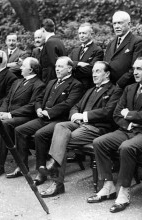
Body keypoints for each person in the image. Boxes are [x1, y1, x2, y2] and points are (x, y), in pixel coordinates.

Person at [87, 57, 142, 213]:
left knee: (126, 147)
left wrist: (129, 114)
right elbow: (117, 114)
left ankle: (124, 192)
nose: (135, 72)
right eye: (134, 68)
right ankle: (108, 185)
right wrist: (129, 122)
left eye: (139, 69)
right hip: (128, 129)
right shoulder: (129, 88)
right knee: (99, 142)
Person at [38, 61, 121, 197]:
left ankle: (56, 180)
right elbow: (75, 106)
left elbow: (108, 112)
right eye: (93, 71)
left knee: (61, 141)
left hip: (97, 128)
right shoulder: (90, 90)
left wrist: (84, 115)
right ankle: (54, 166)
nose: (94, 74)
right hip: (80, 124)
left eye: (98, 71)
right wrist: (75, 116)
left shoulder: (114, 90)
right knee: (60, 126)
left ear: (107, 74)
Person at [7, 56, 83, 178]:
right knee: (19, 130)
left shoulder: (76, 84)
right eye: (56, 66)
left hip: (59, 120)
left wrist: (49, 112)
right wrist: (38, 108)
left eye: (60, 67)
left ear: (69, 69)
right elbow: (39, 98)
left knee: (40, 134)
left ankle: (41, 172)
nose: (57, 69)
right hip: (43, 117)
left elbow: (69, 103)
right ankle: (22, 166)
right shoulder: (52, 82)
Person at [0, 57, 45, 174]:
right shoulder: (18, 81)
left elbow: (31, 106)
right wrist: (2, 112)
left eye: (23, 66)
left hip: (24, 117)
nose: (20, 68)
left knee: (4, 125)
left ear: (30, 70)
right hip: (7, 114)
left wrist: (9, 114)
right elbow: (7, 99)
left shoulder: (39, 85)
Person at [104, 10, 142, 87]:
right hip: (109, 87)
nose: (116, 26)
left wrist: (119, 84)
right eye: (114, 23)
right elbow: (106, 64)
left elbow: (136, 68)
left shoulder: (137, 41)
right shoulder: (111, 43)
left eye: (120, 23)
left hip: (127, 86)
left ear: (129, 24)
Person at [69, 23, 104, 90]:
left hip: (87, 88)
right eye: (80, 33)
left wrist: (73, 68)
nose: (81, 36)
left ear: (92, 34)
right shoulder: (74, 51)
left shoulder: (98, 50)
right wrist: (78, 63)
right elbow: (67, 65)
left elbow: (91, 70)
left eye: (84, 33)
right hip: (72, 87)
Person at [40, 18, 67, 84]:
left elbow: (54, 62)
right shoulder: (59, 41)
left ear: (43, 30)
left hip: (51, 79)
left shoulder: (49, 42)